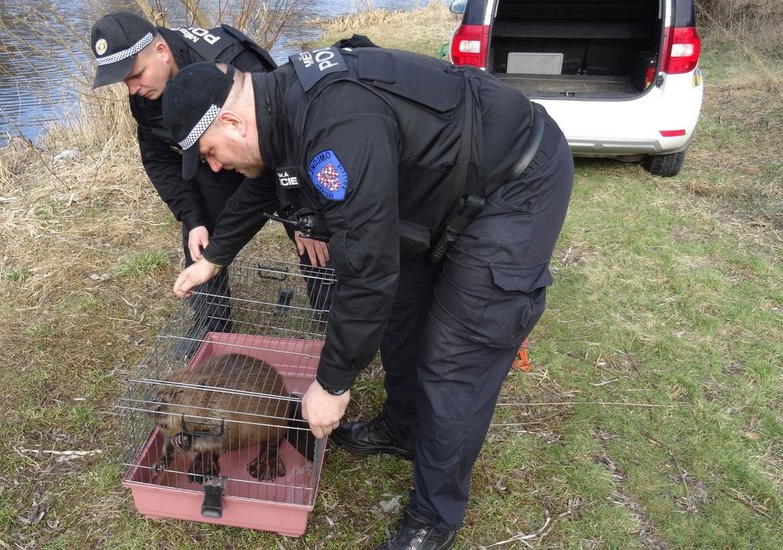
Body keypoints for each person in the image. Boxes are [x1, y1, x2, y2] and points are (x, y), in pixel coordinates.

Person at [163, 42, 573, 549]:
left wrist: (332, 384)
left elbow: (367, 267)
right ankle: (402, 429)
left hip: (515, 182)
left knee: (455, 354)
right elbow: (269, 185)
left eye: (210, 154)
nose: (217, 168)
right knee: (402, 317)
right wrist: (216, 255)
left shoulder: (336, 129)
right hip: (442, 182)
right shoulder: (280, 105)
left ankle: (434, 518)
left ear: (232, 123)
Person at [89, 12, 332, 356]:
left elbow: (288, 132)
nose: (132, 88)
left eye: (135, 75)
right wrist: (193, 218)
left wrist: (305, 208)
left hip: (274, 156)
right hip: (210, 161)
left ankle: (333, 317)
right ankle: (212, 329)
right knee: (199, 239)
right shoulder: (144, 94)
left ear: (161, 51)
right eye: (124, 81)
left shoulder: (233, 61)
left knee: (313, 233)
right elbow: (161, 160)